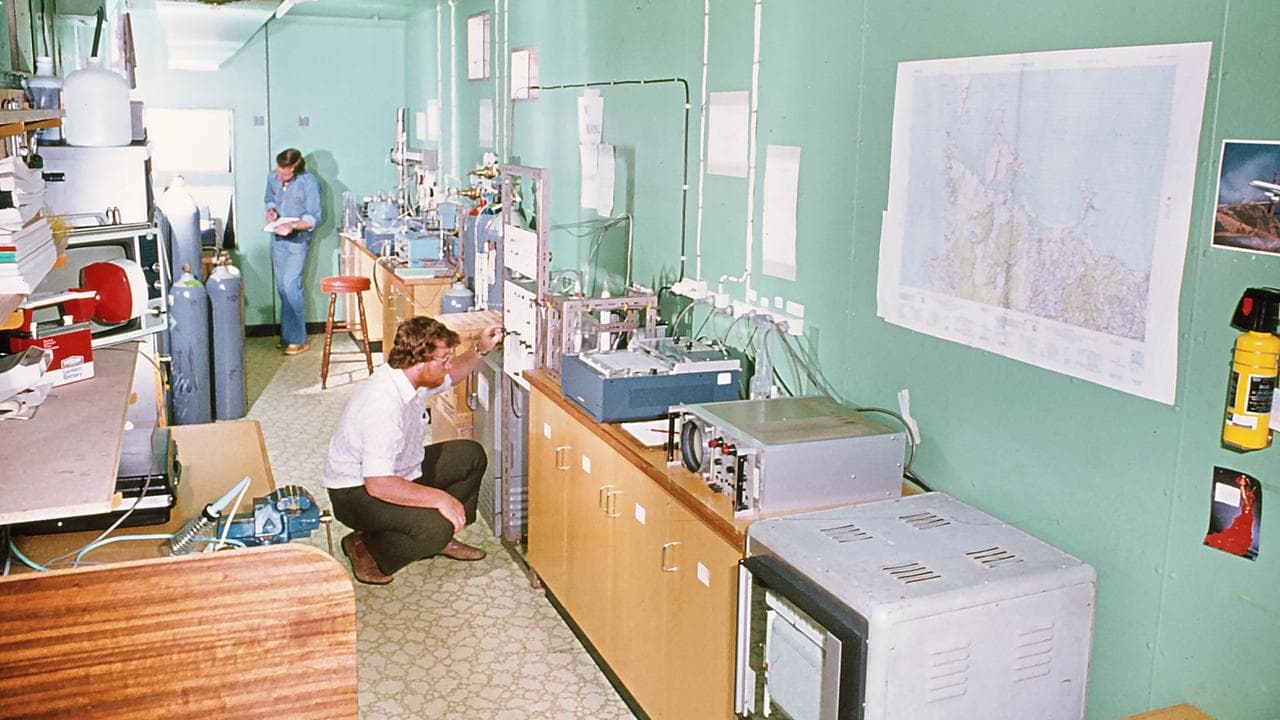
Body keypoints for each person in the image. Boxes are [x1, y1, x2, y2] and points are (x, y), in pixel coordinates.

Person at [323, 316, 504, 584]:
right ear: (419, 361)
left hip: (398, 473)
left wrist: (481, 348)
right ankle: (368, 550)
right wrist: (441, 500)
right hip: (356, 492)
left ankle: (439, 540)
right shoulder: (382, 406)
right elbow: (379, 485)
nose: (448, 365)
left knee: (470, 456)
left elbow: (453, 374)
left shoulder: (412, 379)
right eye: (443, 359)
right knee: (434, 528)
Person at [264, 148, 322, 356]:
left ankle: (299, 339)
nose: (279, 176)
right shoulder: (273, 177)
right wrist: (271, 212)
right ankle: (288, 336)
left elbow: (314, 217)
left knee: (291, 285)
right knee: (282, 286)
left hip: (297, 240)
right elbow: (269, 199)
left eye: (284, 173)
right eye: (278, 171)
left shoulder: (309, 183)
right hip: (277, 237)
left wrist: (293, 226)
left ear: (296, 169)